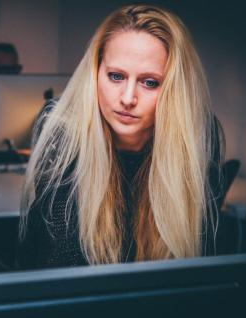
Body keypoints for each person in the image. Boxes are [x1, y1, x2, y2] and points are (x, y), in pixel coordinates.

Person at [18, 4, 224, 270]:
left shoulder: (199, 134)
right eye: (116, 76)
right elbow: (62, 260)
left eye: (150, 82)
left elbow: (198, 259)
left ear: (175, 89)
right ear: (95, 73)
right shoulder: (63, 128)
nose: (128, 98)